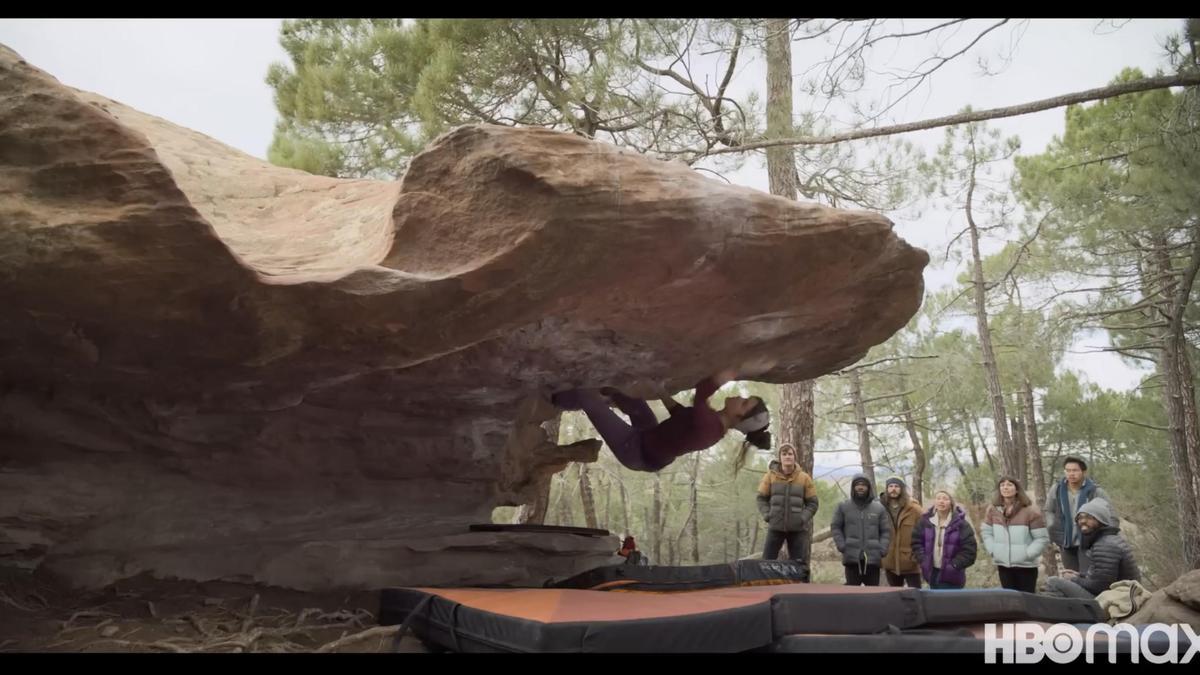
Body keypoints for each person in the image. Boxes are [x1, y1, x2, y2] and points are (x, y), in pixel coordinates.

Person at [550, 368, 770, 472]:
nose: (740, 397)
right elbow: (681, 414)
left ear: (738, 417)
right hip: (650, 435)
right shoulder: (711, 421)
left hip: (635, 451)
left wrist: (721, 378)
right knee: (630, 398)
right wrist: (660, 391)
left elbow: (701, 394)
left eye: (744, 402)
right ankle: (608, 394)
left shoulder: (710, 429)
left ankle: (552, 397)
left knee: (586, 397)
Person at [1042, 499, 1139, 600]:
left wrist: (1074, 579)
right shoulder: (1108, 539)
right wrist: (1081, 576)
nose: (1083, 521)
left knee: (1053, 582)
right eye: (1079, 518)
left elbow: (1100, 586)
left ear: (1101, 520)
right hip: (1118, 594)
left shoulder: (1105, 545)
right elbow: (1103, 577)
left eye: (1089, 517)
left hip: (1116, 598)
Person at [1044, 455, 1113, 573]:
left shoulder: (1095, 491)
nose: (1071, 474)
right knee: (1071, 577)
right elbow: (1049, 510)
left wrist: (1105, 537)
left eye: (1075, 470)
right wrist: (1052, 528)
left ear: (1083, 471)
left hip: (1089, 542)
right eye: (1068, 470)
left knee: (1088, 576)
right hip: (1066, 542)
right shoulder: (1057, 489)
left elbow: (1111, 515)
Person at [757, 442, 819, 573]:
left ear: (794, 457)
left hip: (797, 529)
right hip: (775, 527)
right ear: (780, 457)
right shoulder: (770, 476)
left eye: (790, 454)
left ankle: (799, 591)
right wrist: (767, 515)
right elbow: (761, 498)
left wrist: (802, 518)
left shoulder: (804, 478)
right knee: (766, 563)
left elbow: (813, 503)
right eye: (784, 454)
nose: (787, 457)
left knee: (798, 566)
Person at [981, 476, 1049, 593]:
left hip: (1026, 566)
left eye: (1009, 485)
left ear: (1017, 489)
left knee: (1027, 601)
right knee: (1009, 600)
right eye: (1002, 485)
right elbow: (986, 532)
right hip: (1004, 565)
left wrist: (1027, 554)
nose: (1005, 487)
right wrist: (994, 550)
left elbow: (1041, 538)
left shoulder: (1030, 511)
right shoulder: (993, 510)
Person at [831, 474, 890, 586]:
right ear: (853, 487)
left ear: (869, 488)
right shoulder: (843, 506)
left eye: (864, 485)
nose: (860, 487)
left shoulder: (879, 508)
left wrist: (882, 549)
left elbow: (885, 531)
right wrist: (842, 545)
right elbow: (835, 527)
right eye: (857, 484)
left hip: (873, 559)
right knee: (852, 596)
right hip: (851, 558)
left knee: (873, 597)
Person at [912, 489, 977, 589]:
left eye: (945, 498)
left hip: (953, 576)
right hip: (932, 573)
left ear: (951, 502)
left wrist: (954, 565)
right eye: (938, 498)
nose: (941, 501)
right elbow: (916, 542)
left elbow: (970, 551)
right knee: (935, 603)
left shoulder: (961, 524)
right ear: (934, 502)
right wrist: (923, 560)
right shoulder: (925, 522)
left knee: (952, 604)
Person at [879, 476, 923, 588]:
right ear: (886, 488)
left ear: (902, 489)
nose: (893, 489)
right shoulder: (880, 508)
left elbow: (925, 534)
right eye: (890, 486)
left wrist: (917, 556)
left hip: (910, 563)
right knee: (895, 597)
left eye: (897, 486)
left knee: (916, 596)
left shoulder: (914, 509)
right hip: (890, 561)